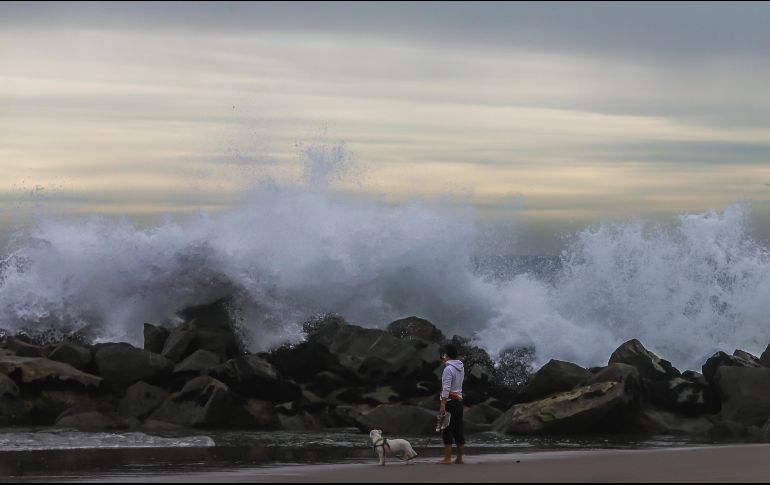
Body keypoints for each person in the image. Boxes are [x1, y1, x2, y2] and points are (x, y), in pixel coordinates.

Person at [437, 343, 464, 464]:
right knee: (458, 429)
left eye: (444, 354)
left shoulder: (448, 369)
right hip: (458, 402)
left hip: (450, 403)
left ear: (446, 354)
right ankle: (459, 458)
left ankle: (447, 458)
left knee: (446, 429)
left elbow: (446, 388)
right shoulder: (460, 366)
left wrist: (442, 404)